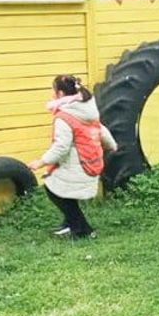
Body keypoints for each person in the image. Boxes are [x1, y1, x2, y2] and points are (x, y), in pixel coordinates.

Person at [28, 75, 118, 239]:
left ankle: (83, 230)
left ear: (61, 94)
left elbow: (61, 148)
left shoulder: (64, 117)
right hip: (91, 165)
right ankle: (69, 224)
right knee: (64, 191)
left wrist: (40, 162)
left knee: (53, 190)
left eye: (54, 90)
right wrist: (112, 145)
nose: (52, 94)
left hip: (78, 167)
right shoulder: (87, 110)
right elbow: (100, 129)